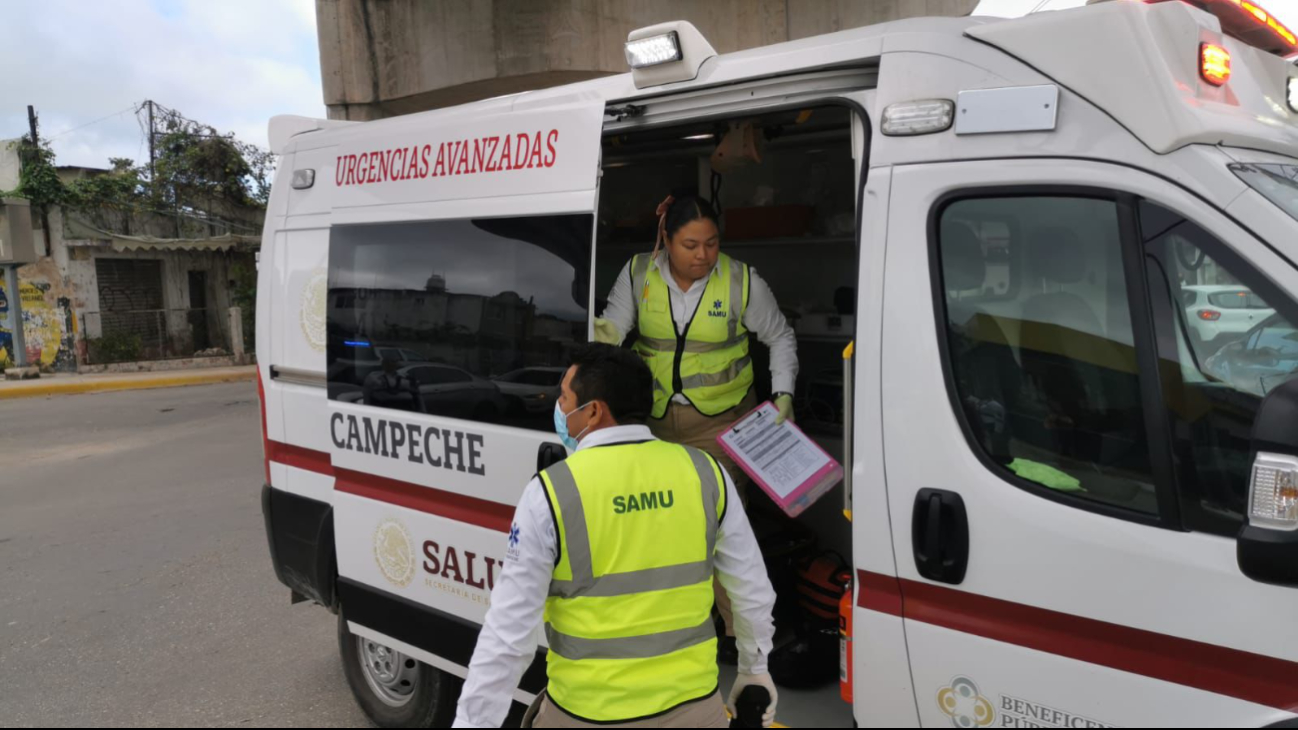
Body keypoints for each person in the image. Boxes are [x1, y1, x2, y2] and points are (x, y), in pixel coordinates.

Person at [452, 344, 778, 729]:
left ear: (593, 411)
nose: (559, 409)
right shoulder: (706, 473)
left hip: (588, 714)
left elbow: (507, 636)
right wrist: (754, 668)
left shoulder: (551, 493)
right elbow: (751, 588)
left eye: (565, 398)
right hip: (695, 710)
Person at [594, 194, 798, 655]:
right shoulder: (638, 273)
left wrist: (783, 393)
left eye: (711, 243)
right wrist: (600, 336)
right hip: (655, 423)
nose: (703, 255)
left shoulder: (741, 281)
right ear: (666, 240)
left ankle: (743, 642)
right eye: (690, 244)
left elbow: (780, 335)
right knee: (658, 523)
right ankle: (671, 627)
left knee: (725, 527)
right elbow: (615, 328)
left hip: (723, 424)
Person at [361, 356, 426, 413]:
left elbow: (418, 397)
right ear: (383, 363)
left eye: (394, 361)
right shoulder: (373, 378)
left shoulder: (406, 379)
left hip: (404, 416)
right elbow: (366, 397)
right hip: (381, 415)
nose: (391, 363)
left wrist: (422, 413)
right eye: (389, 361)